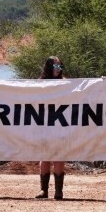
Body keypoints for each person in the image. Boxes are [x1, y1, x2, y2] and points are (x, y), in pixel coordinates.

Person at [36, 56, 68, 200]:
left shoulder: (65, 83)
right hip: (44, 124)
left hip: (60, 124)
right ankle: (43, 190)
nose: (58, 69)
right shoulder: (40, 83)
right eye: (55, 66)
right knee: (45, 156)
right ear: (49, 67)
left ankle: (58, 190)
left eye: (60, 66)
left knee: (59, 156)